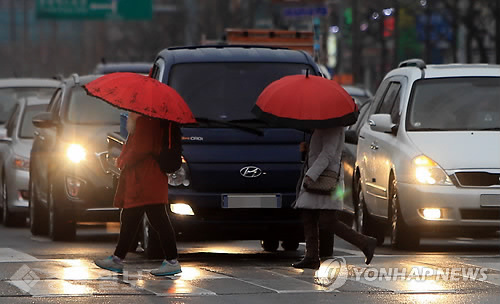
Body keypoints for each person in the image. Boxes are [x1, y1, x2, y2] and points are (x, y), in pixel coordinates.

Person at [95, 112, 181, 276]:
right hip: (147, 178)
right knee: (137, 218)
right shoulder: (148, 120)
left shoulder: (146, 121)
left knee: (152, 218)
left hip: (145, 179)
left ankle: (171, 261)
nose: (127, 115)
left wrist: (122, 160)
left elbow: (141, 148)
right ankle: (119, 258)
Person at [292, 126, 377, 270]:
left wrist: (311, 175)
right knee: (308, 215)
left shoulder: (332, 127)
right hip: (318, 178)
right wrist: (307, 150)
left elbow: (328, 153)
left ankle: (365, 242)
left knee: (327, 220)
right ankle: (311, 256)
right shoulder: (322, 127)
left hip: (325, 179)